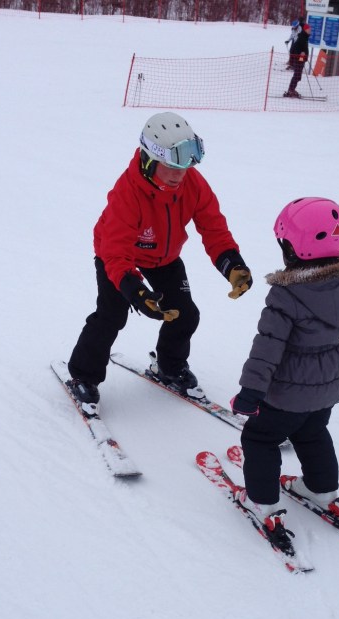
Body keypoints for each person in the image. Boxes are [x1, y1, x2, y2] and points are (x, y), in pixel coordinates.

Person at [67, 112, 252, 405]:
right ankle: (83, 375)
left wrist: (232, 264)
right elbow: (115, 251)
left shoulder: (192, 183)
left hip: (164, 258)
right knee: (112, 315)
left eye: (186, 164)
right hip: (117, 257)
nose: (180, 173)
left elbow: (213, 228)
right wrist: (135, 290)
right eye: (171, 165)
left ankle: (169, 367)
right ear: (150, 159)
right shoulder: (128, 193)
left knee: (186, 315)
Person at [230, 197, 339, 553]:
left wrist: (251, 390)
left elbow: (268, 346)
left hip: (289, 389)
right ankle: (322, 490)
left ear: (292, 248)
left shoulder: (287, 295)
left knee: (260, 438)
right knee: (312, 431)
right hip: (330, 382)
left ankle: (262, 503)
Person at [285, 23, 311, 98]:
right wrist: (300, 53)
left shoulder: (305, 37)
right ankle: (291, 90)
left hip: (301, 59)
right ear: (305, 30)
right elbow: (295, 48)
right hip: (298, 59)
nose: (310, 30)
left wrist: (303, 56)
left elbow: (303, 48)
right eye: (309, 29)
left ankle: (292, 89)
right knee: (297, 75)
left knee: (298, 75)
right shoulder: (302, 37)